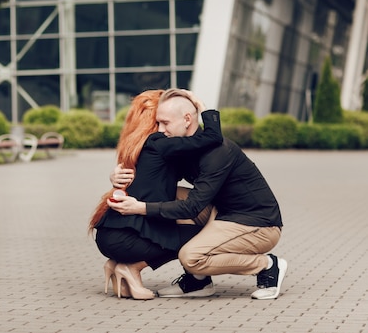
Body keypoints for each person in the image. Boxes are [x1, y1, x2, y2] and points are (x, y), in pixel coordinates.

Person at [109, 88, 287, 300]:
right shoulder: (181, 146)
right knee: (167, 193)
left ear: (187, 119)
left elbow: (192, 207)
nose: (160, 129)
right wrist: (118, 176)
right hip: (219, 210)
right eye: (158, 123)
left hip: (257, 223)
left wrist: (141, 208)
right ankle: (198, 281)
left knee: (190, 256)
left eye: (165, 123)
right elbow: (154, 180)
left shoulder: (219, 152)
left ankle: (267, 265)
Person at [90, 89, 223, 300]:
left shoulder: (141, 145)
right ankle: (131, 268)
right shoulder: (160, 142)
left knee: (182, 230)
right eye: (160, 121)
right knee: (198, 238)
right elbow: (213, 137)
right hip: (125, 239)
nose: (163, 128)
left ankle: (117, 264)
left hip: (112, 234)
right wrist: (200, 107)